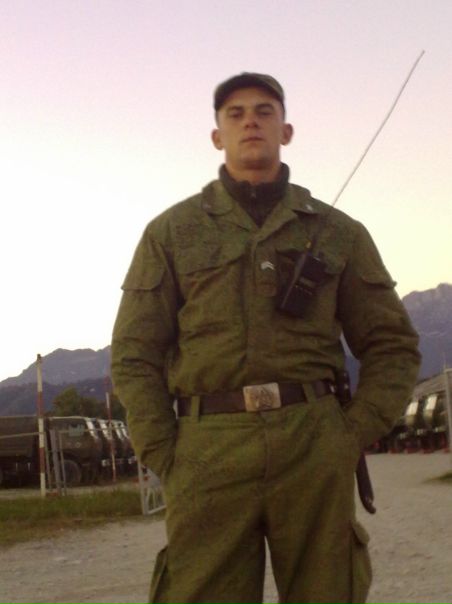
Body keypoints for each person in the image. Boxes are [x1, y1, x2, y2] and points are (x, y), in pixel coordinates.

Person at [111, 73, 420, 604]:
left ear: (286, 130)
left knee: (328, 593)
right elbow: (135, 353)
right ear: (217, 136)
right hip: (207, 448)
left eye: (264, 111)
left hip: (312, 440)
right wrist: (164, 450)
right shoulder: (172, 232)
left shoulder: (339, 232)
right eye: (235, 114)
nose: (250, 121)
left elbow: (392, 344)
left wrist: (350, 433)